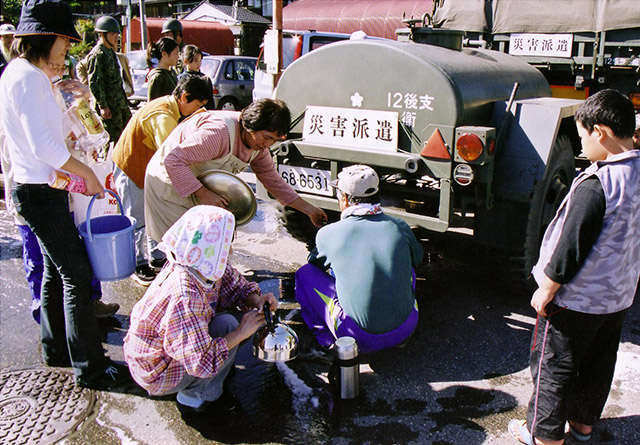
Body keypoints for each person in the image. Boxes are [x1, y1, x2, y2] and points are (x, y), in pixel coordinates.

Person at [0, 0, 128, 389]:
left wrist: (71, 98)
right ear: (44, 37)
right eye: (64, 42)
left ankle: (55, 348)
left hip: (41, 188)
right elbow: (44, 147)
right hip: (39, 190)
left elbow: (49, 133)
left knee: (58, 272)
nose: (67, 51)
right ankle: (89, 366)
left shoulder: (25, 74)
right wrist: (87, 172)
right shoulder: (26, 77)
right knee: (76, 273)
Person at [508, 89, 640, 445]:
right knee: (599, 363)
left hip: (575, 301)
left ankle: (545, 436)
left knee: (555, 368)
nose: (582, 146)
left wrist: (546, 288)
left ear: (600, 131)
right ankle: (582, 426)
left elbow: (571, 245)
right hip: (618, 297)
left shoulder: (597, 184)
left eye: (582, 135)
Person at [123, 205, 277, 412]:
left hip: (169, 354)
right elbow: (201, 361)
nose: (229, 250)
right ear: (210, 245)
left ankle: (211, 378)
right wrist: (241, 333)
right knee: (231, 326)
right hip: (157, 372)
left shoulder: (199, 261)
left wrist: (258, 300)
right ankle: (197, 397)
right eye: (226, 244)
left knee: (238, 323)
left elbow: (236, 286)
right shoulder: (184, 294)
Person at [144, 98, 328, 242]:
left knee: (209, 248)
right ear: (250, 126)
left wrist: (309, 209)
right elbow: (173, 161)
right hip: (169, 184)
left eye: (274, 140)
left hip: (200, 189)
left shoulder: (259, 149)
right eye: (266, 137)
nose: (268, 144)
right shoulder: (218, 133)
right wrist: (204, 193)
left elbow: (273, 181)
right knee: (183, 250)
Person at [295, 165, 423, 354]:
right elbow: (417, 259)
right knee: (407, 267)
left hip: (356, 336)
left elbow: (316, 265)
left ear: (345, 198)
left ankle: (326, 340)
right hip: (406, 327)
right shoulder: (400, 226)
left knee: (304, 274)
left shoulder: (329, 233)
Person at [112, 75, 212, 286]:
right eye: (196, 105)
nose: (196, 111)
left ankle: (157, 258)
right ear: (185, 97)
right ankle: (137, 264)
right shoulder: (163, 115)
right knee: (136, 219)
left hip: (147, 168)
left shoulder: (172, 106)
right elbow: (172, 154)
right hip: (131, 167)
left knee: (152, 213)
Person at [85, 15, 131, 143]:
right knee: (112, 141)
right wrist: (103, 106)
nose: (116, 37)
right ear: (102, 34)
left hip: (120, 103)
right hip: (110, 107)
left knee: (126, 137)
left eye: (117, 34)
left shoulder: (110, 52)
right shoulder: (97, 55)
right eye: (112, 34)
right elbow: (95, 83)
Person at [177, 44, 214, 110]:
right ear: (186, 61)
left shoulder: (205, 79)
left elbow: (210, 103)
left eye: (200, 60)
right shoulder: (180, 79)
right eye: (196, 60)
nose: (199, 64)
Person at [146, 37, 179, 101]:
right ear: (164, 54)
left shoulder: (172, 73)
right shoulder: (157, 77)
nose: (178, 57)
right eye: (176, 54)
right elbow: (152, 103)